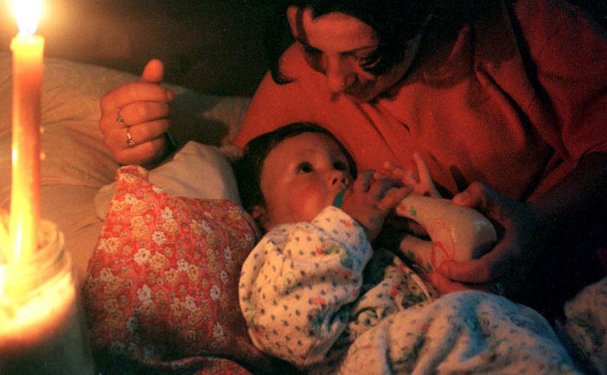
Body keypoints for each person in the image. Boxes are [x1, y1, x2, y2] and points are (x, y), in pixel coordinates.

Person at [99, 0, 607, 316]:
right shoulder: (294, 79)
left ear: (424, 16)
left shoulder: (501, 8)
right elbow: (246, 195)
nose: (336, 82)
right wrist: (149, 145)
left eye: (368, 59)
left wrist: (539, 224)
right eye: (314, 50)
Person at [235, 122, 580, 372]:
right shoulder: (278, 249)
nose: (338, 177)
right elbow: (287, 329)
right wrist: (347, 227)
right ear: (263, 215)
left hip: (472, 333)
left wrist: (435, 220)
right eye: (305, 168)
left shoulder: (381, 239)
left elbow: (465, 276)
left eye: (340, 165)